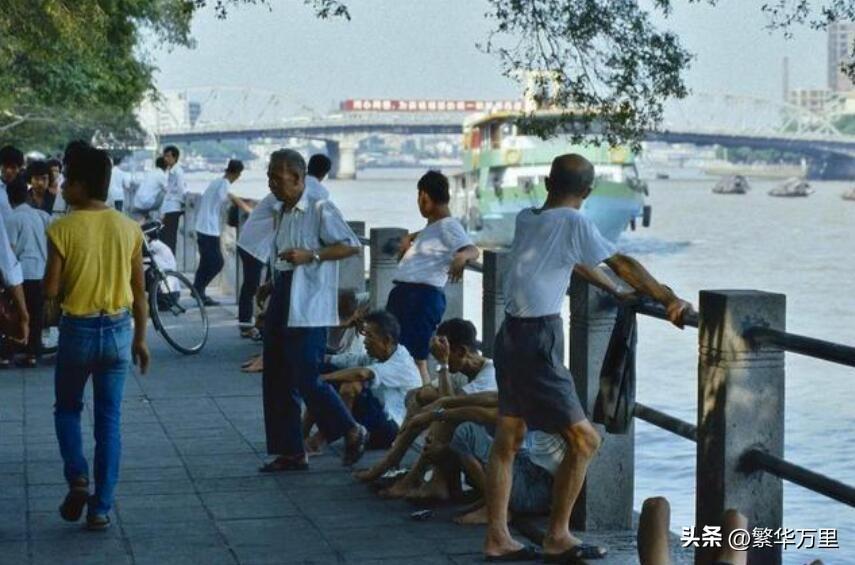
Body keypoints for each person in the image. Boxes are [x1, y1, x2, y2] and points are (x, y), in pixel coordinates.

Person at [483, 153, 694, 562]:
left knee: (507, 440)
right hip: (536, 340)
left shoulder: (529, 217)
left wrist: (614, 291)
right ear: (589, 192)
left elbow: (575, 261)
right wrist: (667, 297)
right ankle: (558, 535)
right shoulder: (574, 221)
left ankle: (496, 536)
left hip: (509, 335)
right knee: (585, 440)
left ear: (546, 181)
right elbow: (624, 262)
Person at [44, 144, 149, 531]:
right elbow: (140, 292)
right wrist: (141, 339)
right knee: (109, 420)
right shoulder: (129, 227)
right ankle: (101, 508)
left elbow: (52, 288)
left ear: (82, 186)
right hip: (120, 330)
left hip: (79, 329)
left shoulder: (62, 228)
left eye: (67, 181)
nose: (62, 187)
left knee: (68, 408)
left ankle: (77, 477)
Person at [259, 148, 367, 473]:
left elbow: (350, 244)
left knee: (307, 373)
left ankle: (349, 428)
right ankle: (291, 450)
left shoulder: (320, 208)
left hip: (308, 299)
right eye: (270, 178)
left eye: (278, 179)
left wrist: (313, 255)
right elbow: (280, 252)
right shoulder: (282, 211)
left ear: (298, 178)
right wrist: (270, 281)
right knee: (276, 373)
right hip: (283, 290)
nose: (273, 185)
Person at [354, 318, 497, 487]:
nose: (441, 359)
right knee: (427, 397)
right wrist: (421, 401)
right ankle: (393, 461)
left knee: (444, 417)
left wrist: (443, 365)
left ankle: (411, 477)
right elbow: (422, 395)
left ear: (460, 352)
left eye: (444, 355)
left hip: (488, 452)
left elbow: (449, 405)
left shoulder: (489, 376)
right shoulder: (461, 369)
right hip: (466, 444)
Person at [386, 171, 479, 383]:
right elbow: (429, 236)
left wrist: (463, 255)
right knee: (400, 354)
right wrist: (409, 238)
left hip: (420, 297)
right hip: (409, 295)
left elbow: (472, 249)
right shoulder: (436, 226)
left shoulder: (448, 225)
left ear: (424, 197)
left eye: (419, 198)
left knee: (415, 358)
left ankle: (422, 404)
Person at [312, 310, 421, 452]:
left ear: (386, 340)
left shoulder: (402, 363)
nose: (365, 341)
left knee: (350, 385)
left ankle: (329, 437)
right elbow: (347, 360)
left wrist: (324, 378)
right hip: (375, 416)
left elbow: (361, 374)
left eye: (370, 336)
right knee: (322, 371)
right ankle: (304, 435)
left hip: (392, 429)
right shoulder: (377, 355)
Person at [3, 176, 50, 367]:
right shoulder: (42, 216)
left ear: (9, 197)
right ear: (28, 195)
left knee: (17, 313)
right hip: (41, 271)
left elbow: (10, 251)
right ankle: (33, 352)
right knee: (37, 314)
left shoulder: (12, 219)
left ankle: (12, 349)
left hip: (22, 273)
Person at [193, 159, 249, 306]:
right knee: (217, 262)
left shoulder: (216, 182)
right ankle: (198, 288)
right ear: (237, 174)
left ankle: (198, 290)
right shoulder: (224, 184)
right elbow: (228, 198)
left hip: (202, 226)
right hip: (209, 229)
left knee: (206, 261)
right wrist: (246, 207)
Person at [236, 192, 279, 338]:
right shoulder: (277, 197)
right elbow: (279, 223)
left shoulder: (278, 195)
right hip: (253, 247)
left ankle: (258, 324)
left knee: (259, 285)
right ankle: (246, 326)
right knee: (251, 286)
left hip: (257, 247)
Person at [160, 145, 185, 254]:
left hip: (174, 208)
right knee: (166, 236)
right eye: (165, 156)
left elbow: (181, 190)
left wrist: (182, 203)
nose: (166, 159)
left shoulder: (178, 172)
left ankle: (170, 260)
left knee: (170, 237)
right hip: (168, 207)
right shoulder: (171, 171)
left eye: (168, 156)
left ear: (175, 157)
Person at [0, 144, 24, 217]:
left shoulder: (21, 187)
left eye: (13, 167)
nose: (9, 171)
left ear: (19, 169)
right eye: (6, 166)